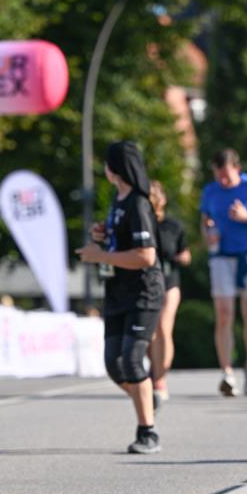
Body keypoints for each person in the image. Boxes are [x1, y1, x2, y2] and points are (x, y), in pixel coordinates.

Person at [76, 140, 164, 454]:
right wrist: (105, 236)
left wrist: (100, 255)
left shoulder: (139, 203)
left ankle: (147, 431)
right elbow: (122, 243)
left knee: (131, 358)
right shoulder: (118, 198)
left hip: (143, 293)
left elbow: (146, 256)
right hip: (117, 293)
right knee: (113, 364)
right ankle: (148, 400)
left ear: (115, 168)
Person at [200, 148, 247, 397]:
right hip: (221, 257)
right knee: (223, 313)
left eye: (227, 177)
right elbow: (205, 221)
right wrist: (208, 234)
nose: (222, 181)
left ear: (237, 169)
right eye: (218, 176)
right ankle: (227, 372)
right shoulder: (210, 191)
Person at [148, 180, 191, 407]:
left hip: (169, 282)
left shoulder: (173, 226)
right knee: (150, 334)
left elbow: (186, 253)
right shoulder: (141, 224)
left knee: (164, 328)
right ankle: (153, 372)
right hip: (146, 282)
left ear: (163, 199)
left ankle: (160, 379)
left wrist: (182, 258)